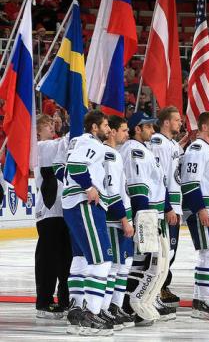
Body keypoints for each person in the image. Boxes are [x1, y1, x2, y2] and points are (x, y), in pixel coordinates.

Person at [62, 111, 114, 335]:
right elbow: (75, 166)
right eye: (105, 125)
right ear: (94, 127)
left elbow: (61, 169)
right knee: (101, 260)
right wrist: (89, 187)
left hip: (74, 204)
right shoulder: (92, 143)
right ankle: (90, 315)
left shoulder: (77, 142)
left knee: (81, 258)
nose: (109, 129)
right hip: (85, 204)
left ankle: (76, 310)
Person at [120, 112, 174, 325]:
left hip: (154, 214)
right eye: (148, 127)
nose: (153, 130)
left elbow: (158, 184)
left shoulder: (144, 150)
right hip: (147, 215)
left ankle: (140, 302)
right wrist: (142, 220)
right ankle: (131, 306)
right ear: (137, 129)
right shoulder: (135, 151)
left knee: (153, 263)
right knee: (141, 263)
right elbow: (137, 187)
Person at [182, 112, 209, 320]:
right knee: (208, 253)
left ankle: (202, 299)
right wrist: (200, 208)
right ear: (203, 127)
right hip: (204, 208)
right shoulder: (196, 149)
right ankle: (202, 300)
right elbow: (190, 182)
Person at [34, 115, 71, 319]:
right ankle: (44, 301)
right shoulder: (40, 146)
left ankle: (64, 299)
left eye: (51, 124)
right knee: (49, 258)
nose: (51, 127)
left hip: (61, 210)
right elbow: (64, 143)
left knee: (64, 258)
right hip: (49, 212)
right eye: (47, 125)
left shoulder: (52, 146)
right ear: (37, 131)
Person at [102, 115, 135, 328]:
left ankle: (115, 305)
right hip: (114, 219)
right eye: (123, 130)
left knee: (124, 265)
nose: (127, 133)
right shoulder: (109, 155)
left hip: (122, 217)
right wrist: (124, 219)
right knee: (113, 266)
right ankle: (105, 308)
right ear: (112, 131)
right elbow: (112, 193)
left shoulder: (116, 154)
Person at [149, 107, 183, 308]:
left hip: (174, 204)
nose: (180, 123)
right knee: (163, 251)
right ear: (166, 123)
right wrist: (168, 206)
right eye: (177, 120)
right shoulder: (159, 144)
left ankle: (161, 286)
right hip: (165, 206)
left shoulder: (170, 143)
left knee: (170, 251)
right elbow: (160, 178)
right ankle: (155, 290)